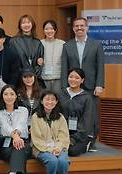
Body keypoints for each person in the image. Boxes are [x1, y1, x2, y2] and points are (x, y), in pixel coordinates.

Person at [61, 17, 105, 152]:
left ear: (87, 28)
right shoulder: (67, 45)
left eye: (82, 26)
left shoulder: (96, 44)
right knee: (72, 112)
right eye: (76, 26)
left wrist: (100, 84)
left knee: (92, 115)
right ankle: (74, 138)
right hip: (72, 84)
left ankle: (91, 141)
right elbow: (64, 67)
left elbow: (100, 66)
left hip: (91, 85)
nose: (79, 28)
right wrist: (64, 87)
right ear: (73, 28)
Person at [31, 91, 71, 174]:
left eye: (53, 100)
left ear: (56, 102)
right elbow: (36, 139)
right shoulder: (35, 117)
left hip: (59, 147)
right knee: (52, 160)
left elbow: (64, 136)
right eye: (47, 99)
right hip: (40, 148)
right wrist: (50, 149)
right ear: (41, 101)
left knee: (63, 160)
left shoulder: (60, 117)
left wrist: (58, 148)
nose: (50, 102)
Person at [0, 85, 30, 174]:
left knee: (20, 148)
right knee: (20, 151)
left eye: (11, 94)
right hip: (5, 143)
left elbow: (21, 124)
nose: (9, 97)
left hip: (22, 140)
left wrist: (17, 137)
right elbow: (4, 127)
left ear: (16, 96)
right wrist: (15, 137)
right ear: (2, 96)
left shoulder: (23, 110)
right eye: (5, 94)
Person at [59, 68, 95, 156]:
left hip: (79, 135)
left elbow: (87, 121)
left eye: (77, 78)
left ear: (82, 80)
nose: (73, 80)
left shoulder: (87, 98)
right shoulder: (61, 94)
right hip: (62, 133)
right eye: (71, 77)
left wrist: (73, 138)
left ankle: (88, 144)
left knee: (71, 151)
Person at [10, 14, 45, 79]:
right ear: (20, 26)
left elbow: (40, 64)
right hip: (18, 78)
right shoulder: (13, 41)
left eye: (28, 22)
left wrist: (32, 77)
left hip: (34, 79)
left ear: (32, 24)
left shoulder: (38, 43)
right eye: (23, 23)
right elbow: (11, 62)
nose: (26, 25)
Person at [41, 19, 65, 94]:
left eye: (51, 28)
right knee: (45, 99)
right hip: (43, 78)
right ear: (43, 30)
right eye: (46, 29)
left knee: (58, 100)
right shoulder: (39, 43)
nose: (49, 31)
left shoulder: (62, 44)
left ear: (55, 30)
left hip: (58, 78)